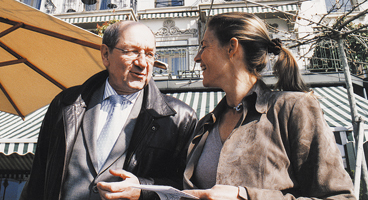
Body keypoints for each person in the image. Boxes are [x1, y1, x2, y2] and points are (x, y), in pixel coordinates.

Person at [183, 12, 356, 200]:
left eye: (204, 46)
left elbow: (340, 197)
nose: (197, 58)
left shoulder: (294, 108)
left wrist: (244, 196)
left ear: (232, 47)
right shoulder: (205, 126)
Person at [20, 21, 197, 200]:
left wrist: (143, 191)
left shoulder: (178, 118)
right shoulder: (66, 103)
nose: (143, 63)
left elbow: (188, 189)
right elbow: (38, 177)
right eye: (132, 51)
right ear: (106, 54)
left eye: (150, 54)